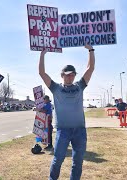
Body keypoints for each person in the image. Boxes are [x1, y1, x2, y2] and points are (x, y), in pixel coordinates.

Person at [39, 44, 95, 180]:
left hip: (79, 130)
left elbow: (90, 69)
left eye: (72, 75)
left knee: (78, 162)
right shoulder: (56, 88)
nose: (70, 77)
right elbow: (42, 73)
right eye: (67, 75)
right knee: (57, 159)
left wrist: (90, 50)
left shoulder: (79, 86)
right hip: (62, 130)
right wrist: (42, 54)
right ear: (62, 75)